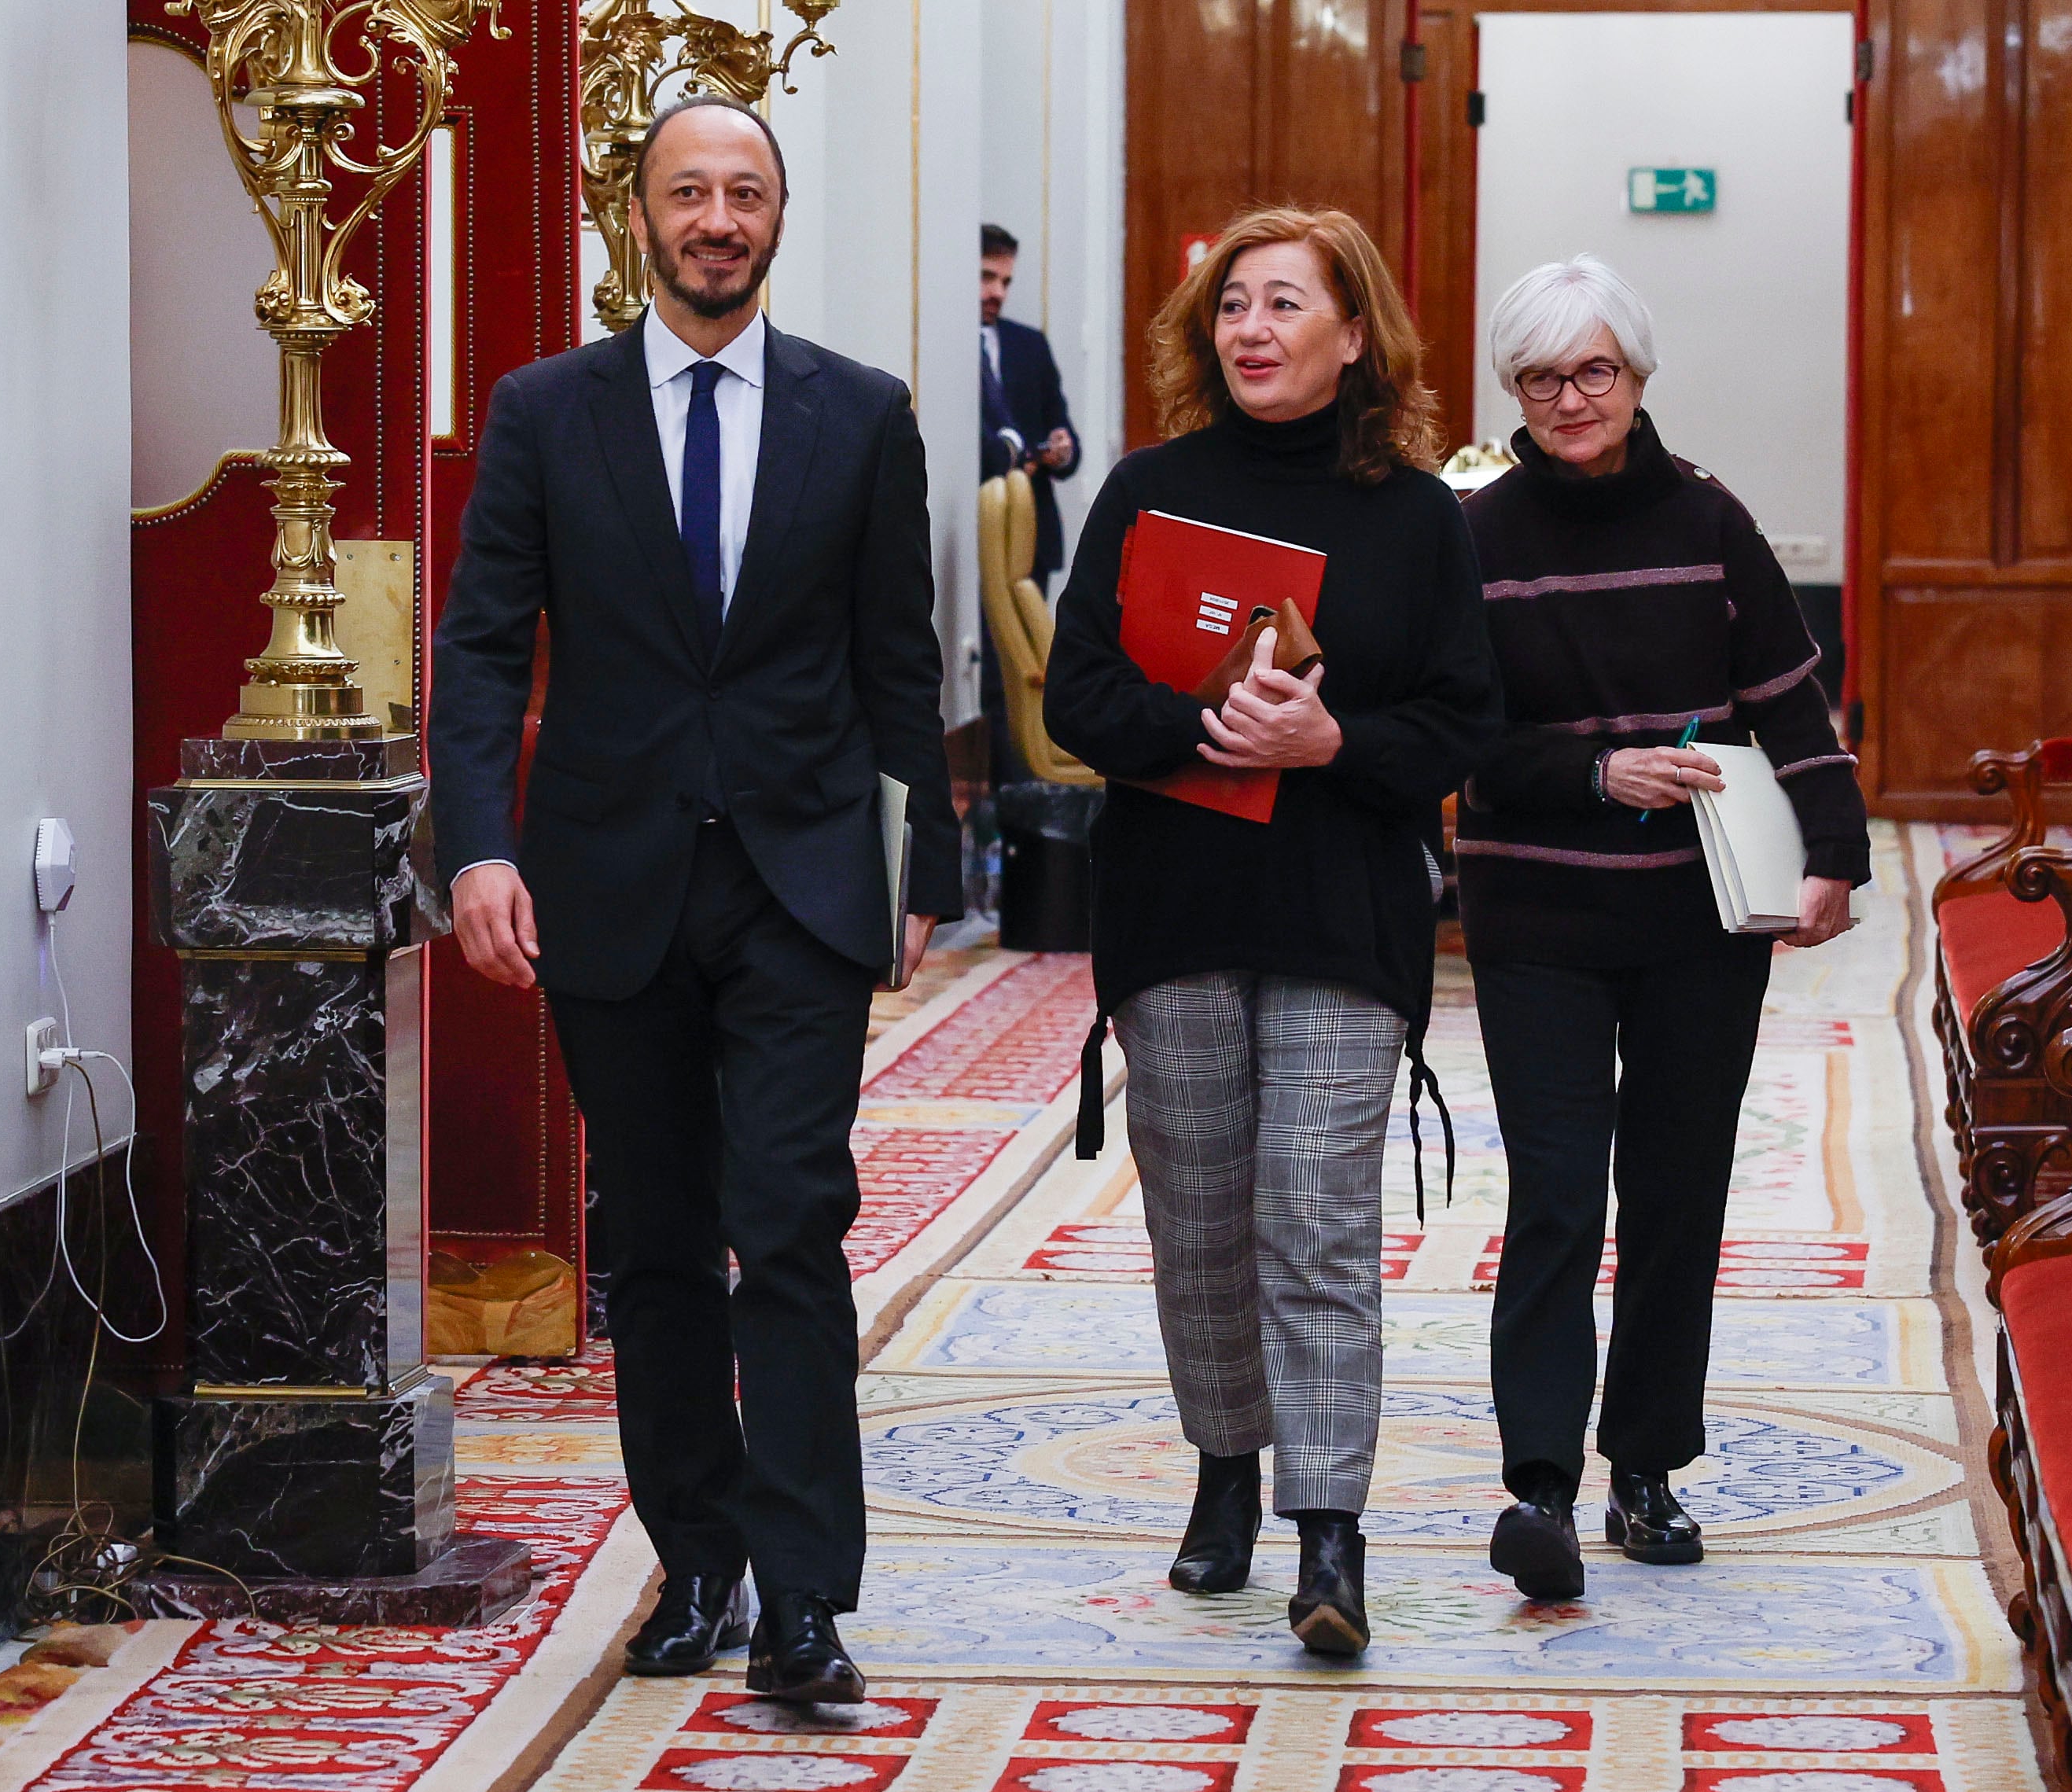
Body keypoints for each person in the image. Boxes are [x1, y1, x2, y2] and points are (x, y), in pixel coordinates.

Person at [429, 95, 961, 1702]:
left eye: (744, 193)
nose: (717, 218)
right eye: (689, 193)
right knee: (653, 1241)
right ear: (639, 218)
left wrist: (920, 861)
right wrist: (477, 844)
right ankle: (700, 1555)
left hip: (800, 884)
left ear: (776, 223)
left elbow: (896, 656)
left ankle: (805, 1596)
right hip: (610, 882)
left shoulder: (860, 415)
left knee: (790, 1222)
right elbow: (480, 646)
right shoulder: (545, 411)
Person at [1043, 207, 1499, 1658]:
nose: (1251, 328)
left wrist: (1332, 737)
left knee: (1312, 1210)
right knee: (1199, 1217)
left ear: (1353, 333)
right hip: (1174, 908)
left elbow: (1462, 721)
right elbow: (1076, 701)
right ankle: (1224, 1468)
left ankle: (1329, 1528)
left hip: (1341, 910)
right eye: (1232, 304)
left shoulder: (1419, 515)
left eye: (1284, 303)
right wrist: (1214, 726)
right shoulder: (1147, 489)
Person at [1455, 256, 1869, 1602]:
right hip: (1536, 909)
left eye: (1596, 372)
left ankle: (1646, 1465)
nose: (1570, 399)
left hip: (1700, 917)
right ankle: (1540, 1486)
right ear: (1511, 389)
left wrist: (1837, 854)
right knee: (1559, 1194)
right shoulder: (1476, 535)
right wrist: (1593, 771)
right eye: (1541, 376)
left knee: (1678, 1191)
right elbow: (1453, 736)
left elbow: (1790, 702)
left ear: (1637, 377)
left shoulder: (1709, 519)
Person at [977, 223, 1080, 574]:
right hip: (972, 531)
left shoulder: (1030, 345)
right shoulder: (947, 345)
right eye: (986, 277)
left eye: (1005, 282)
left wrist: (1063, 451)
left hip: (1031, 536)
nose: (997, 293)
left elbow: (1065, 432)